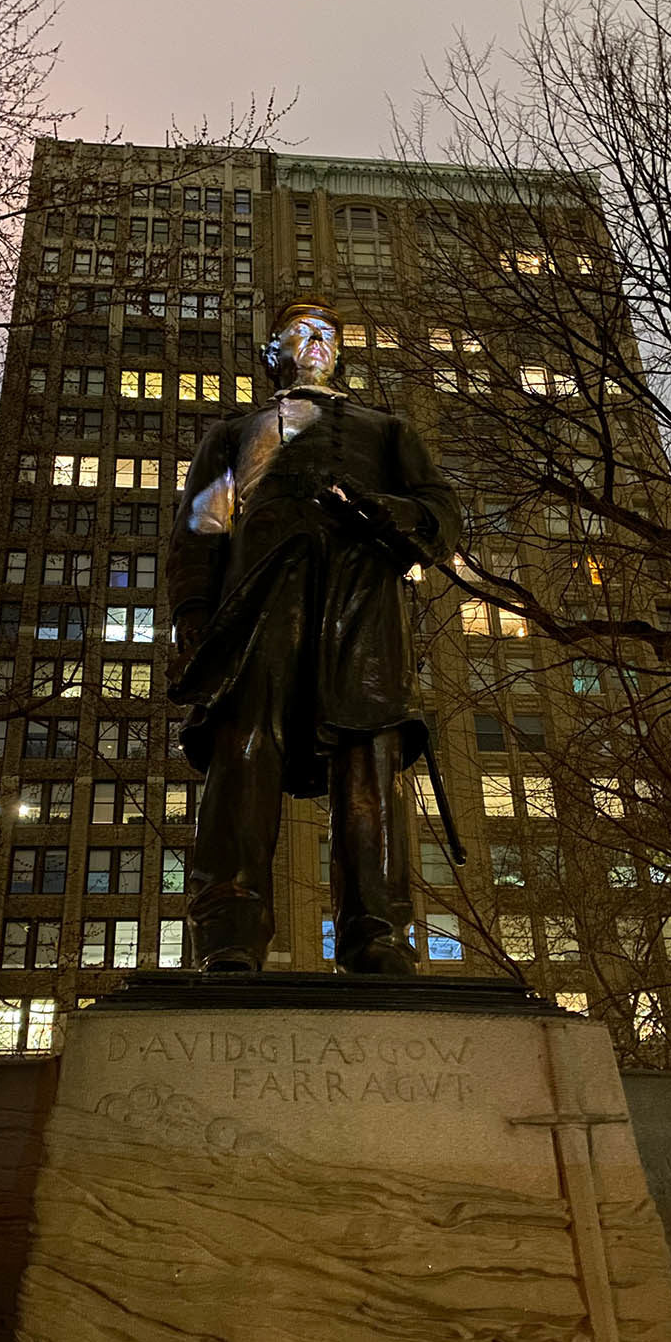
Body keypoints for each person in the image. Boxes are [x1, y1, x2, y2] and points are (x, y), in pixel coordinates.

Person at [167, 300, 460, 974]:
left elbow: (442, 512)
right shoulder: (235, 432)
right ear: (275, 352)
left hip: (362, 600)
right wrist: (193, 613)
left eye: (327, 333)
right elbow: (200, 528)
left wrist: (389, 511)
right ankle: (230, 932)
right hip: (256, 598)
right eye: (300, 333)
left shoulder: (387, 429)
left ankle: (377, 932)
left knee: (370, 757)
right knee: (243, 747)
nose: (316, 342)